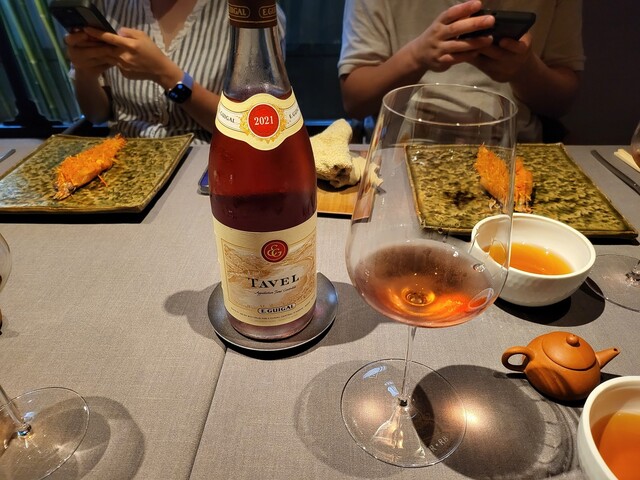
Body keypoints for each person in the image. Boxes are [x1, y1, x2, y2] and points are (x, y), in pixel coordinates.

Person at [338, 0, 585, 142]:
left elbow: (561, 103)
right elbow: (355, 100)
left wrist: (525, 70)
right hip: (401, 149)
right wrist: (416, 56)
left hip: (515, 148)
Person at [64, 0, 285, 145]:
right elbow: (97, 115)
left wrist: (166, 75)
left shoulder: (248, 12)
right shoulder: (108, 5)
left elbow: (255, 128)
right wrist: (85, 73)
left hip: (204, 162)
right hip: (123, 161)